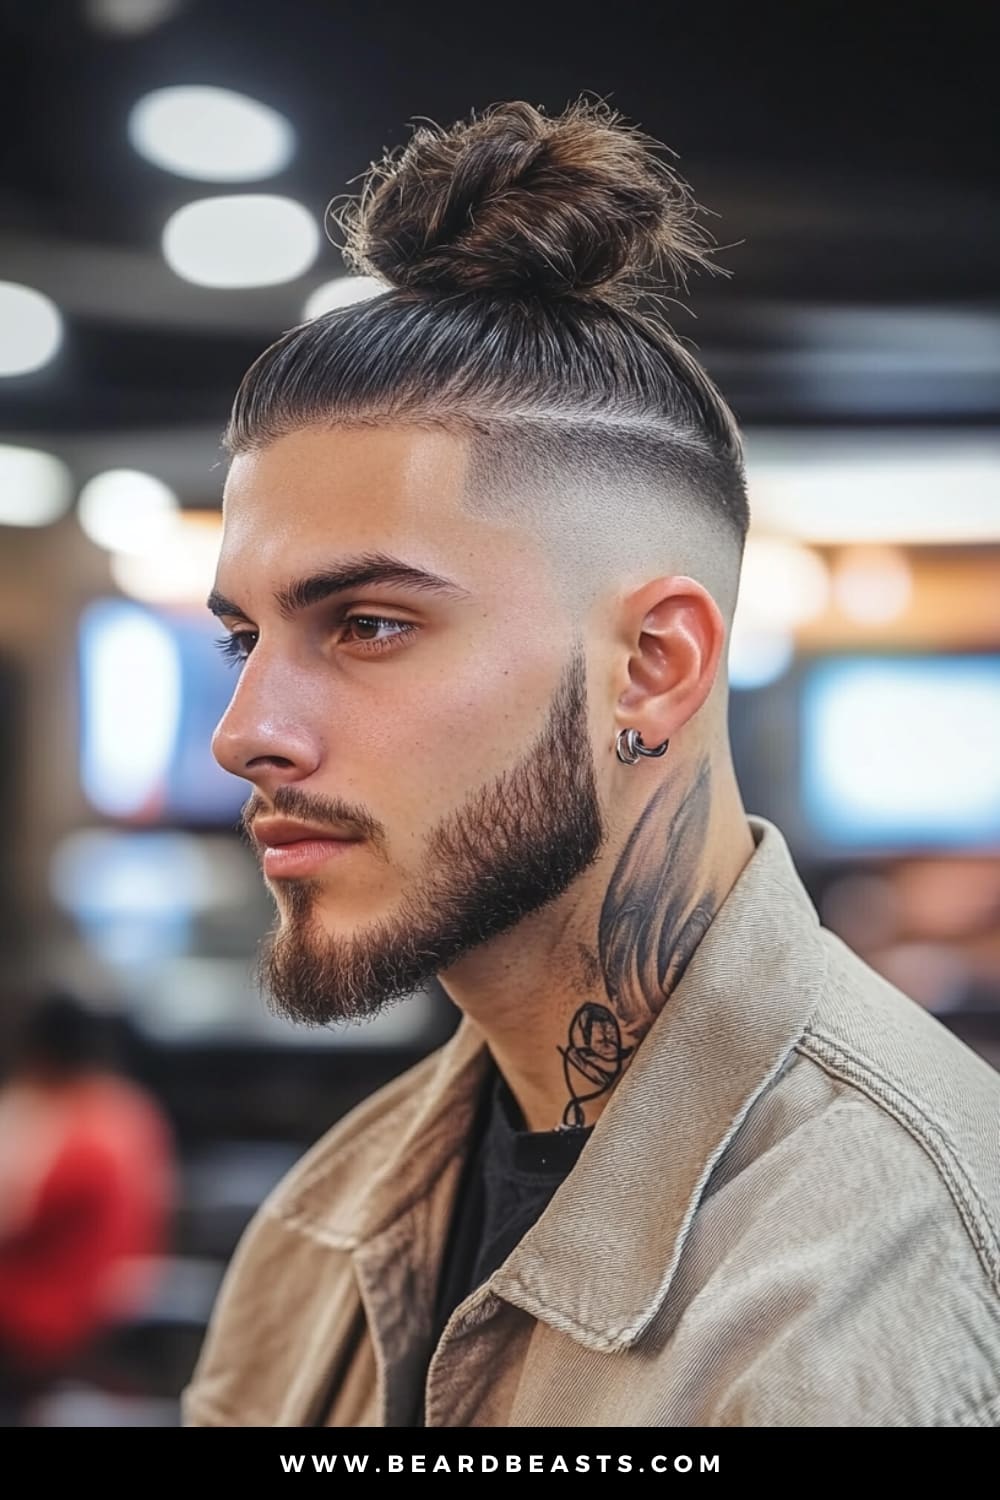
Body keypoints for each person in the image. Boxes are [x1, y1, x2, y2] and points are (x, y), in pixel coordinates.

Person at [183, 99, 1000, 1428]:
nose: (245, 733)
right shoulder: (325, 1229)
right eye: (242, 640)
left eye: (369, 625)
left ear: (653, 666)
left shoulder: (878, 1264)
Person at [0, 992, 175, 1422]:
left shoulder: (71, 1129)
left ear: (39, 1055)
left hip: (60, 1308)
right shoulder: (131, 1108)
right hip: (115, 1291)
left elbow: (20, 1223)